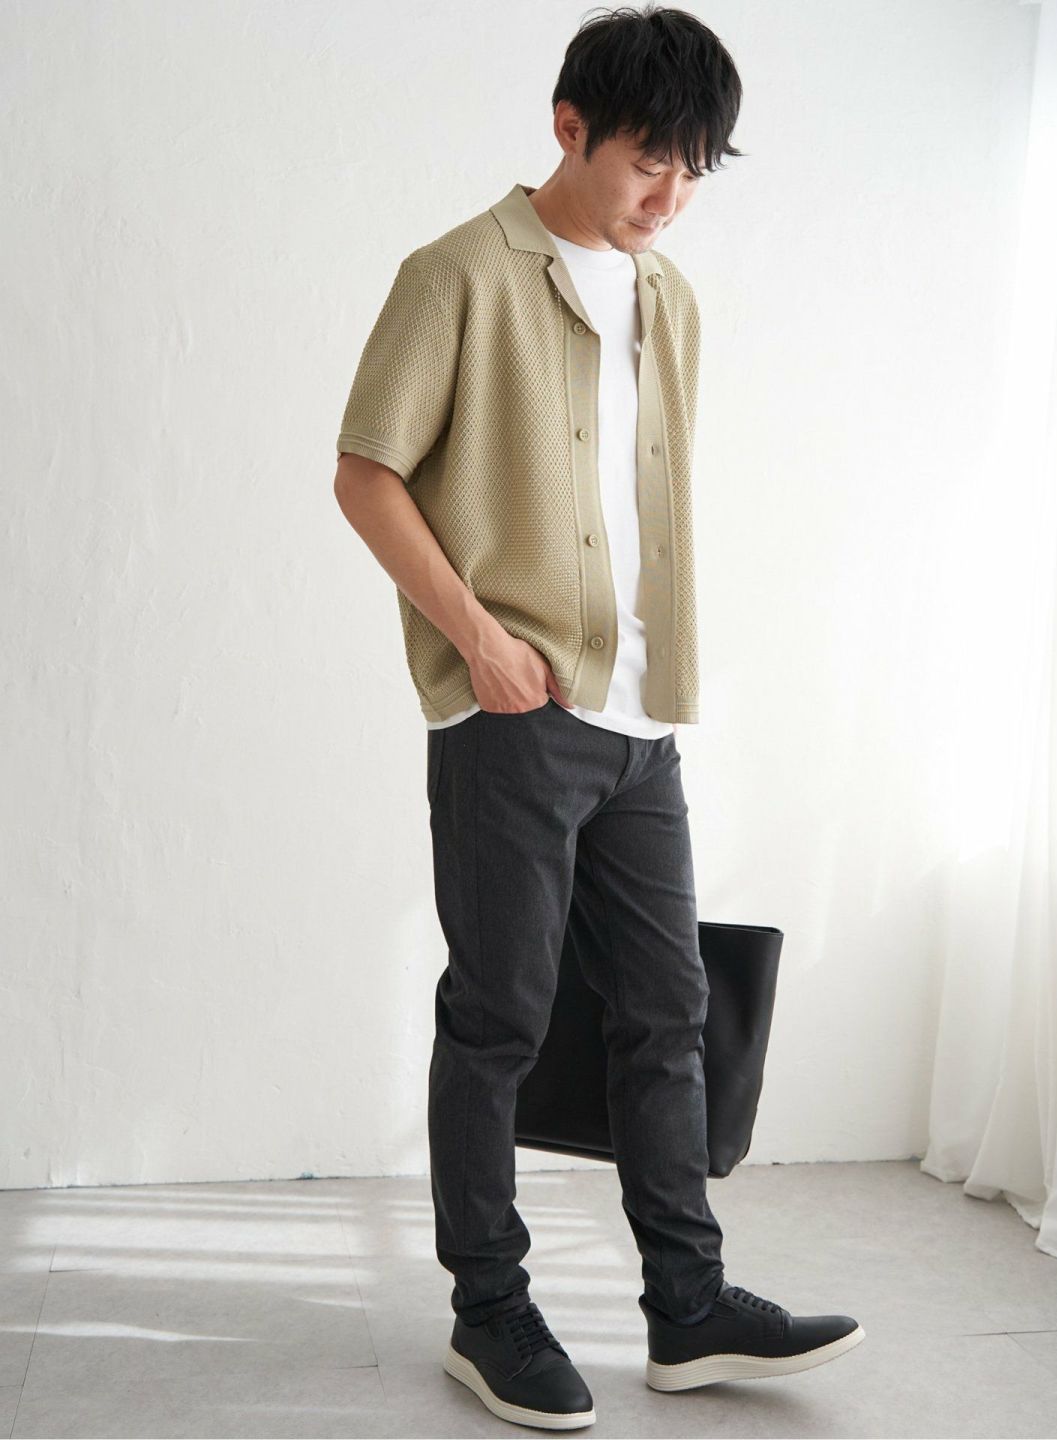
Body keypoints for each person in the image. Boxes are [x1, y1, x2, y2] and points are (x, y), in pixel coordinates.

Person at [333, 4, 864, 1428]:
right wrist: (481, 645)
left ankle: (688, 1306)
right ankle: (489, 1312)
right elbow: (366, 474)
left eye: (695, 170)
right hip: (512, 712)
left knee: (670, 1012)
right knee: (500, 1014)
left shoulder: (667, 297)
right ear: (569, 128)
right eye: (648, 162)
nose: (669, 197)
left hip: (639, 723)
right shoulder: (458, 275)